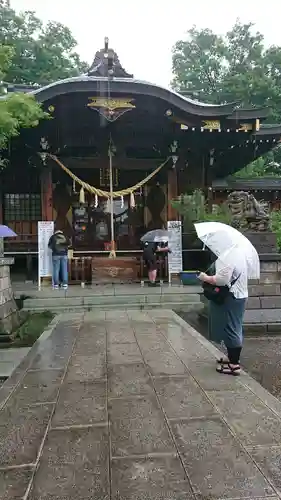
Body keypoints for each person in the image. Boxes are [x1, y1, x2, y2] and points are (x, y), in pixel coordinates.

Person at [198, 248, 248, 376]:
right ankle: (232, 357)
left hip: (230, 297)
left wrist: (205, 277)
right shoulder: (239, 254)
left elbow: (221, 280)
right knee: (235, 327)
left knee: (231, 328)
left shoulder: (226, 257)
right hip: (240, 295)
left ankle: (234, 365)